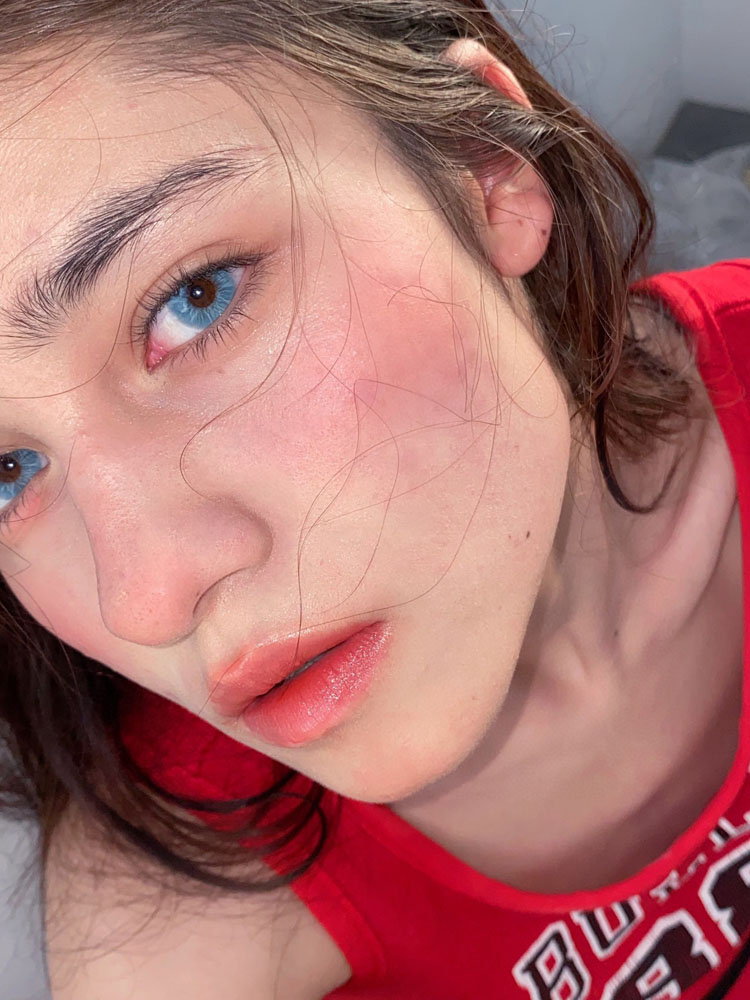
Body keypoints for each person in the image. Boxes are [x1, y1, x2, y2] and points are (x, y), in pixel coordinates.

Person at [0, 0, 747, 996]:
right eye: (5, 473)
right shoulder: (178, 906)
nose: (147, 598)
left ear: (483, 167)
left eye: (196, 297)